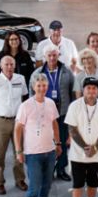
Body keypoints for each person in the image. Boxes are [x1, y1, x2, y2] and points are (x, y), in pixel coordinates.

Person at [14, 73, 61, 197]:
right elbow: (17, 129)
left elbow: (54, 124)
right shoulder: (26, 105)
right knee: (34, 188)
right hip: (33, 153)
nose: (42, 88)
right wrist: (19, 151)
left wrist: (58, 143)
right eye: (39, 85)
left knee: (46, 186)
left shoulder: (51, 103)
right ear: (33, 87)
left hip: (50, 151)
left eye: (44, 85)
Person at [31, 44, 75, 182]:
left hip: (62, 112)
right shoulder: (37, 73)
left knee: (61, 141)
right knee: (46, 143)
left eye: (54, 55)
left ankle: (61, 169)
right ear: (44, 57)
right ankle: (48, 171)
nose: (51, 58)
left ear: (58, 56)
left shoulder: (67, 71)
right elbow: (31, 94)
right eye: (49, 55)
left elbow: (72, 93)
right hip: (43, 114)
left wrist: (71, 111)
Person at [0, 55, 27, 195]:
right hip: (1, 122)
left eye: (12, 64)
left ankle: (20, 179)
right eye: (7, 64)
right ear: (1, 66)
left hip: (18, 122)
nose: (9, 67)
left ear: (15, 66)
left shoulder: (20, 79)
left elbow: (24, 97)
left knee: (19, 152)